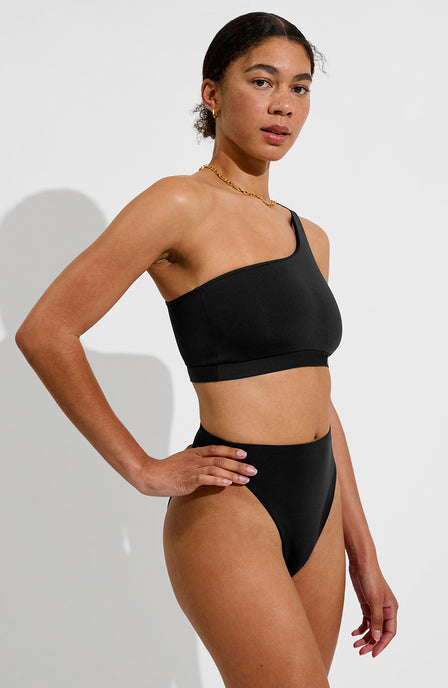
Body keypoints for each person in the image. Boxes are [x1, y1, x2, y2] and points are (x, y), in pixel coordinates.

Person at [16, 11, 397, 687]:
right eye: (263, 81)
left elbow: (317, 395)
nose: (284, 104)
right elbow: (46, 330)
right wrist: (142, 469)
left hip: (320, 502)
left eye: (301, 88)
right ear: (212, 93)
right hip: (232, 504)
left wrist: (362, 552)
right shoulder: (179, 204)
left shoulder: (310, 237)